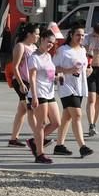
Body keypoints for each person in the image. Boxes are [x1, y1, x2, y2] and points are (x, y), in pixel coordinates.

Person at [52, 26, 94, 158]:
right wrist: (68, 70)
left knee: (67, 116)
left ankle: (59, 145)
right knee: (77, 115)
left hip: (79, 86)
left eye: (82, 35)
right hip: (66, 86)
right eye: (78, 35)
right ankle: (82, 146)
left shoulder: (82, 50)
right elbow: (53, 67)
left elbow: (84, 66)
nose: (81, 37)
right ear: (71, 35)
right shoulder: (62, 50)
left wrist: (88, 71)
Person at [26, 29, 61, 164]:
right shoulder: (34, 57)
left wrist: (57, 78)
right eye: (48, 42)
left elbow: (50, 75)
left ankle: (34, 141)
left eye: (52, 43)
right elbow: (32, 78)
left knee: (56, 122)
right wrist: (34, 96)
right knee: (41, 124)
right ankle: (40, 154)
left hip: (49, 92)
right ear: (42, 40)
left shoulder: (48, 56)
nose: (50, 45)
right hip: (39, 93)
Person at [8, 22, 39, 147]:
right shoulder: (20, 46)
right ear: (29, 34)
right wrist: (21, 83)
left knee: (22, 111)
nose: (38, 36)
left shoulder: (35, 48)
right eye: (36, 34)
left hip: (30, 82)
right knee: (30, 109)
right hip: (21, 82)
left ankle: (13, 139)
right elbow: (15, 67)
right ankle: (39, 136)